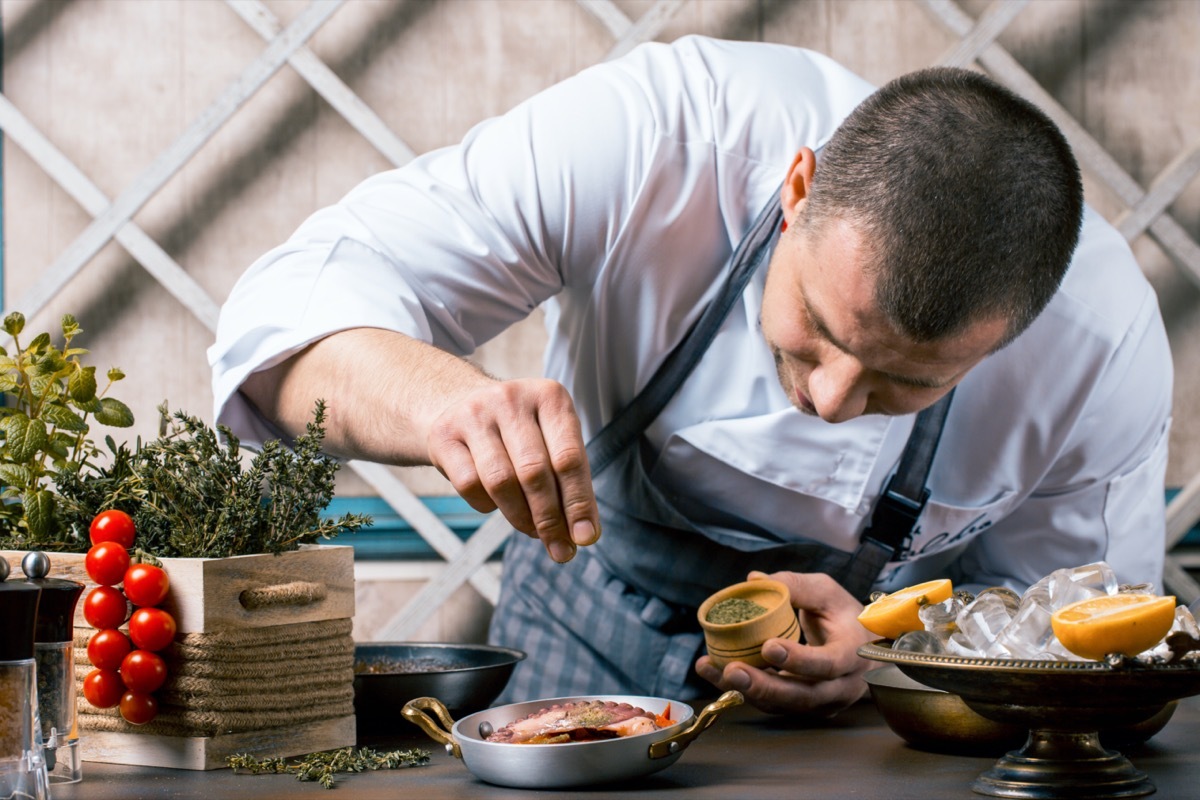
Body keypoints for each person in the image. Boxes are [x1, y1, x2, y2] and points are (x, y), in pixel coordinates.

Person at [209, 36, 1172, 716]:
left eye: (901, 383)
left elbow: (1084, 664)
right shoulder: (663, 136)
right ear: (796, 193)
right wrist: (439, 402)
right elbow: (283, 314)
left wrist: (897, 663)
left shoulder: (1099, 345)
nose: (833, 401)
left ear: (1015, 335)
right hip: (582, 624)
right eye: (820, 329)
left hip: (871, 726)